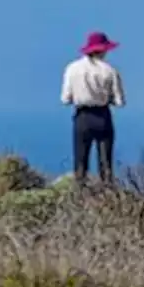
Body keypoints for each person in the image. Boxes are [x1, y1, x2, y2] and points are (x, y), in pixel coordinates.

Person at [61, 31, 126, 185]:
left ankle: (80, 197)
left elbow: (65, 99)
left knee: (80, 162)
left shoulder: (72, 69)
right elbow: (120, 101)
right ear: (103, 50)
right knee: (105, 162)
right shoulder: (110, 71)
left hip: (82, 116)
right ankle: (107, 195)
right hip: (103, 116)